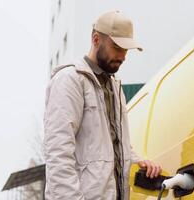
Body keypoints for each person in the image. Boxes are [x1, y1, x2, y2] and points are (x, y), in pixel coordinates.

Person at [44, 11, 162, 200]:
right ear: (96, 39)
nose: (123, 56)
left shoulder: (115, 87)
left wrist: (138, 161)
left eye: (126, 50)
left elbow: (112, 147)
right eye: (117, 47)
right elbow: (58, 154)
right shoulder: (70, 80)